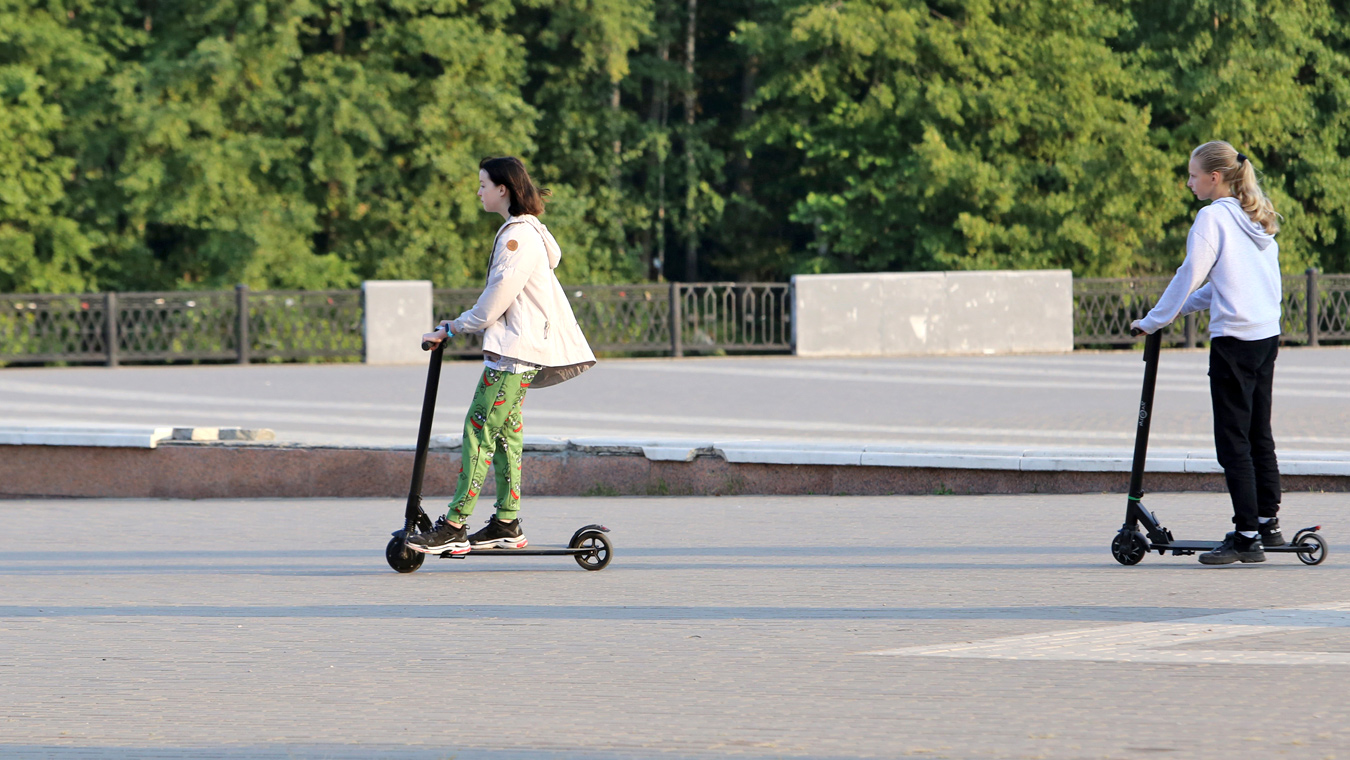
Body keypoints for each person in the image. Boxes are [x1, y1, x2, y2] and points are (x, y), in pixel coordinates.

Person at [407, 156, 596, 555]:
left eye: (482, 184)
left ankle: (455, 524)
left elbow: (494, 302)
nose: (478, 191)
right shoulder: (528, 232)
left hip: (513, 353)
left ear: (502, 189)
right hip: (520, 351)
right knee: (507, 433)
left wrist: (453, 326)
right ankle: (507, 522)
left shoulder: (516, 238)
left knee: (478, 430)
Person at [1132, 140, 1284, 565]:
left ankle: (1246, 535)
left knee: (1232, 440)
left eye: (1193, 174)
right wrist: (1176, 311)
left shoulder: (1211, 218)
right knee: (1258, 433)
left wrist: (1155, 319)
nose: (1189, 182)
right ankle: (1268, 524)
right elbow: (1222, 285)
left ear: (1214, 177)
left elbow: (1189, 275)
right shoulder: (1255, 217)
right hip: (1264, 336)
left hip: (1234, 342)